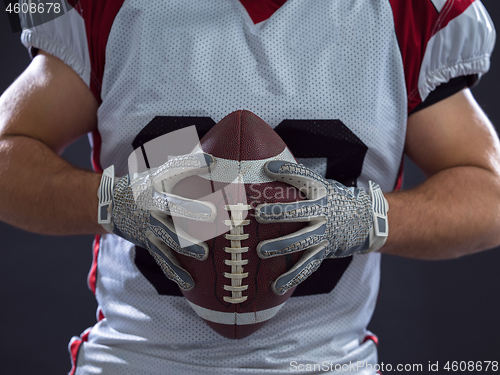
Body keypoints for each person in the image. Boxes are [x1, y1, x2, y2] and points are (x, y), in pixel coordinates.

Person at [0, 0, 499, 374]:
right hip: (135, 358)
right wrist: (113, 202)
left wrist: (366, 218)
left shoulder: (408, 10)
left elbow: (489, 195)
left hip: (326, 363)